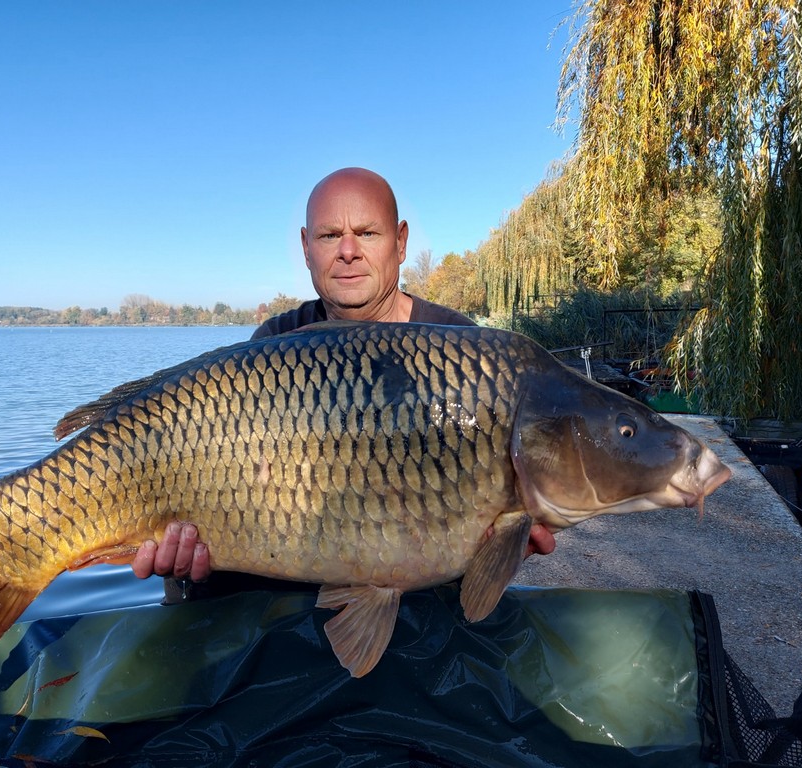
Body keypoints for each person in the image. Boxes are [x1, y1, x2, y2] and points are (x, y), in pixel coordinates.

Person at [131, 167, 556, 597]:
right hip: (292, 598)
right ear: (306, 248)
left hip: (417, 603)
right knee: (190, 584)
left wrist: (498, 550)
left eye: (367, 233)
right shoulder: (272, 347)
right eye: (330, 235)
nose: (348, 251)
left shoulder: (465, 355)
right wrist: (185, 564)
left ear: (401, 241)